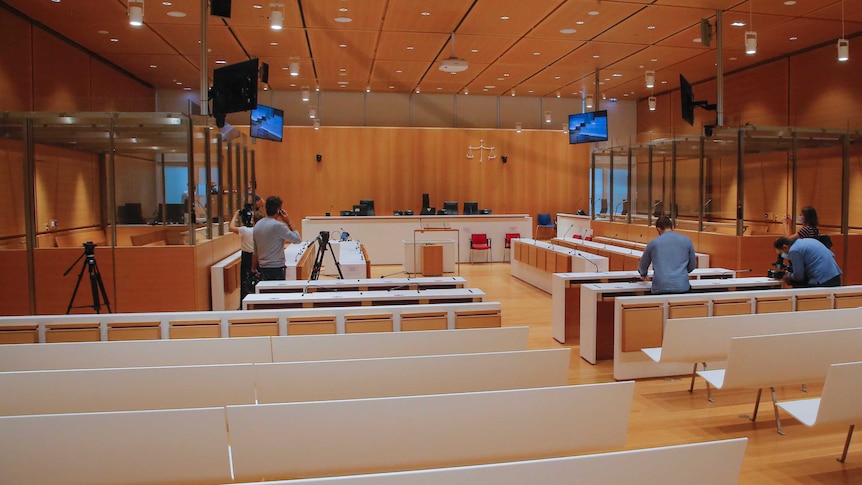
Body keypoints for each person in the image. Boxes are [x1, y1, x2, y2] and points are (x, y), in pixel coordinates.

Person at [638, 216, 697, 294]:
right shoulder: (687, 240)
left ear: (658, 229)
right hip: (682, 286)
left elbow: (643, 266)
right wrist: (682, 273)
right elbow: (692, 265)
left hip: (660, 287)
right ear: (672, 227)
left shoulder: (653, 243)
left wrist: (643, 274)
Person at [252, 196, 302, 281]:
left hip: (262, 267)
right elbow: (297, 239)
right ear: (279, 210)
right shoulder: (278, 226)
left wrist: (253, 267)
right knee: (277, 293)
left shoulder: (257, 225)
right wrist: (288, 221)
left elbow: (255, 250)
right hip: (276, 268)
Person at [773, 236, 841, 287]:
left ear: (785, 247)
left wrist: (787, 275)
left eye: (781, 253)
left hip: (822, 280)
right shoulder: (807, 241)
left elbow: (799, 276)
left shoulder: (794, 250)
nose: (784, 256)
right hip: (835, 275)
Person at [229, 206, 260, 302]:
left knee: (245, 280)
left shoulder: (244, 230)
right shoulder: (259, 230)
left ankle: (245, 301)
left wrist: (235, 216)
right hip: (258, 256)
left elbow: (231, 228)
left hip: (247, 256)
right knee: (257, 278)